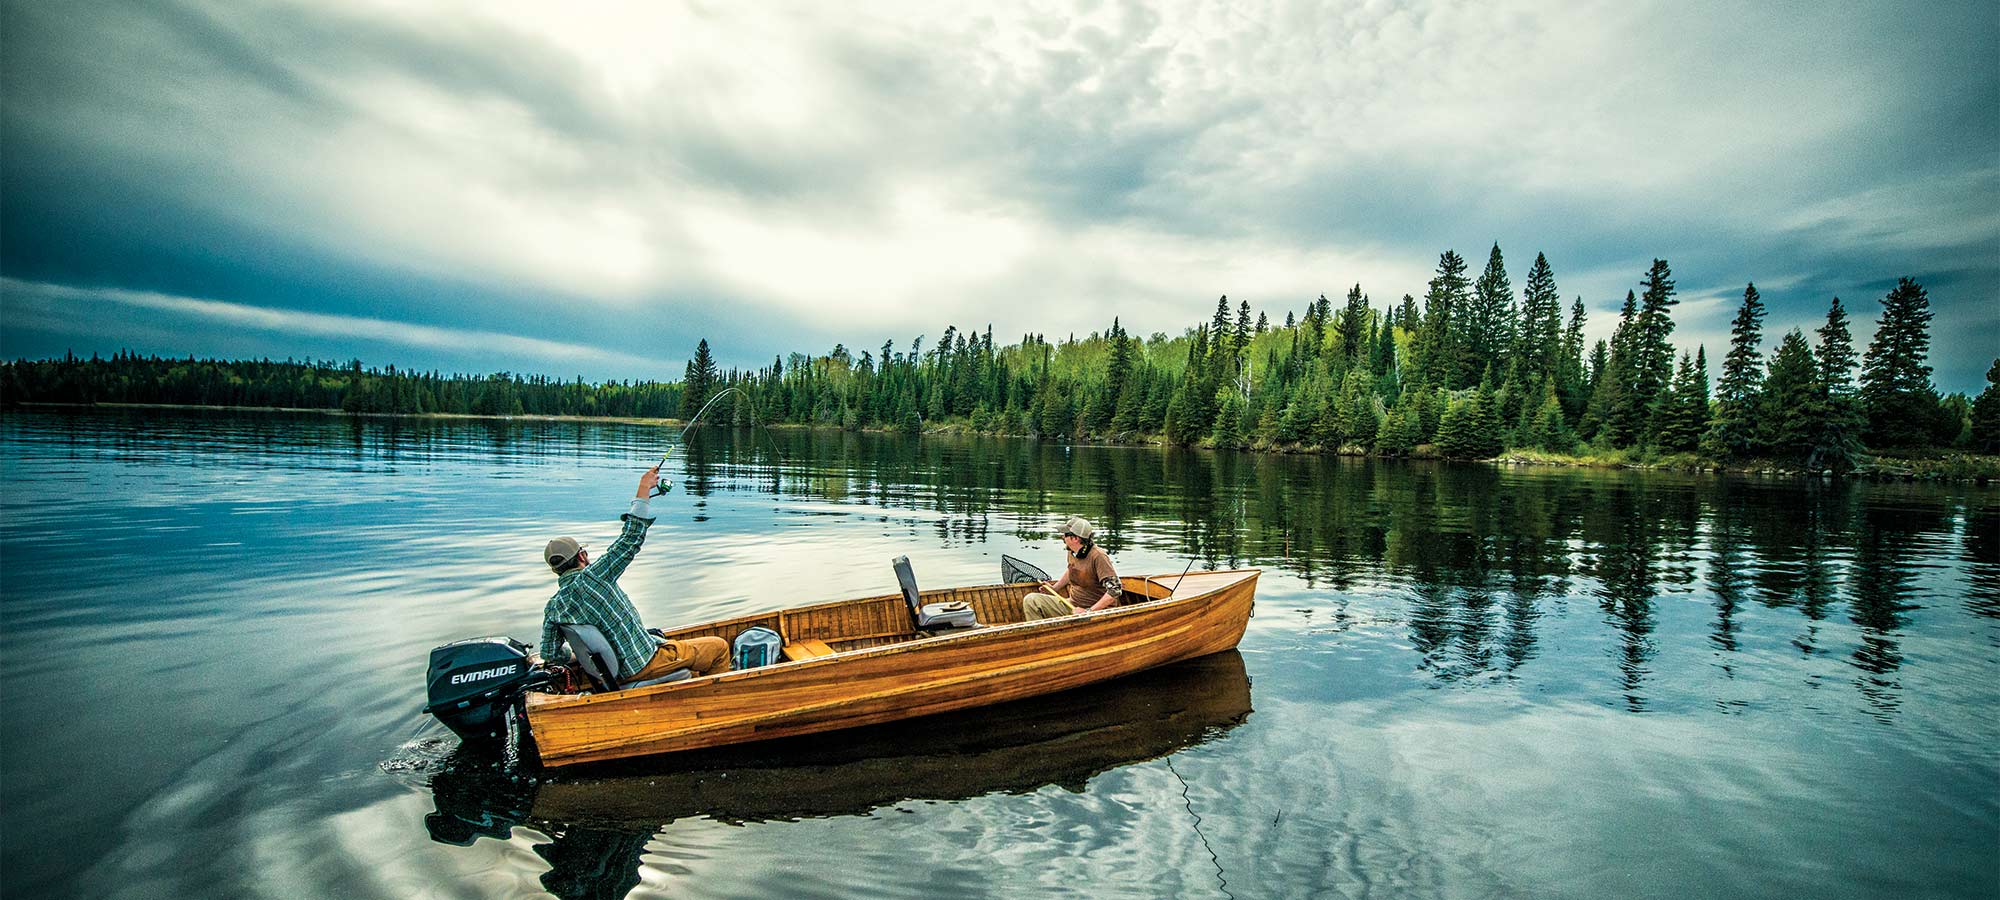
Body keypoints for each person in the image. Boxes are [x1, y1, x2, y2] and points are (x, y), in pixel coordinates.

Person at [537, 463, 731, 683]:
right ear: (582, 557)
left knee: (659, 638)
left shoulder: (554, 607)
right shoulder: (594, 577)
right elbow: (631, 538)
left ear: (555, 570)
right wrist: (644, 488)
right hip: (644, 663)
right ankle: (711, 701)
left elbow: (549, 654)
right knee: (719, 648)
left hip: (614, 674)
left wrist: (572, 656)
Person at [1022, 516, 1123, 621]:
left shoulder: (1098, 556)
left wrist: (1089, 612)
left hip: (1095, 613)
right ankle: (1040, 635)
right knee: (1031, 600)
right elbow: (1071, 570)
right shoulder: (1072, 551)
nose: (1062, 537)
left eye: (1065, 534)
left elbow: (1115, 590)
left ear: (1075, 538)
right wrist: (1054, 588)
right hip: (1073, 605)